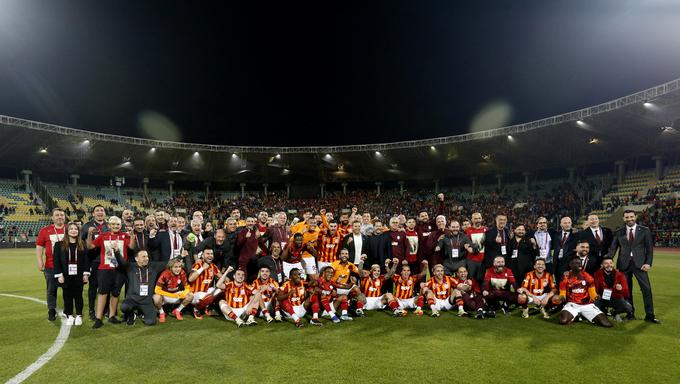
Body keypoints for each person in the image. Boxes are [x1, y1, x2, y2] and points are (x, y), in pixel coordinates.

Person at [608, 210, 659, 323]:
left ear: (635, 217)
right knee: (626, 291)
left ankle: (650, 315)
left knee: (646, 289)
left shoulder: (644, 230)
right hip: (624, 265)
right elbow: (613, 248)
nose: (629, 219)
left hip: (640, 265)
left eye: (631, 217)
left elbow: (649, 249)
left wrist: (648, 263)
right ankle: (630, 314)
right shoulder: (619, 232)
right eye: (627, 217)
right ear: (623, 218)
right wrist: (608, 260)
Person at [87, 216, 136, 328]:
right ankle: (98, 318)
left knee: (115, 293)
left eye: (118, 224)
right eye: (113, 224)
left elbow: (132, 247)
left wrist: (132, 234)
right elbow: (90, 246)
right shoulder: (103, 236)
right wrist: (90, 234)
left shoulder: (125, 236)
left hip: (120, 269)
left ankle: (112, 316)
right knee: (103, 292)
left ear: (120, 225)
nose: (115, 226)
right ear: (109, 225)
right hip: (105, 268)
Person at [113, 250, 167, 326]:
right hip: (132, 299)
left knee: (150, 322)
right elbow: (122, 262)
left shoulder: (153, 266)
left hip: (147, 302)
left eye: (147, 256)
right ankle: (132, 314)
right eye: (143, 257)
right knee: (124, 307)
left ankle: (143, 313)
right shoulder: (131, 267)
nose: (146, 258)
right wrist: (116, 251)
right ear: (136, 259)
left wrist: (181, 256)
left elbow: (168, 263)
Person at [556, 256, 612, 327]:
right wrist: (561, 298)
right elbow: (562, 292)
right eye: (576, 263)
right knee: (563, 321)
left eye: (580, 263)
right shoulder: (565, 277)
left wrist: (596, 297)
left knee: (607, 324)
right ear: (570, 265)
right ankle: (576, 315)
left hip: (587, 305)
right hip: (572, 304)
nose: (579, 265)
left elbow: (592, 292)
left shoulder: (587, 276)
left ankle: (582, 316)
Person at [53, 222, 90, 326]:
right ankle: (69, 315)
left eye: (75, 229)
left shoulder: (82, 243)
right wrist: (59, 275)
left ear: (78, 231)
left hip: (79, 275)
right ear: (67, 231)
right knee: (67, 296)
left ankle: (78, 315)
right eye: (71, 229)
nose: (73, 230)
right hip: (65, 275)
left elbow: (87, 260)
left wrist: (86, 274)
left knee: (78, 295)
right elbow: (56, 261)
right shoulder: (59, 244)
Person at [36, 208, 66, 321]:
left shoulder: (70, 229)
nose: (60, 217)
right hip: (50, 266)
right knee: (51, 290)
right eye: (57, 215)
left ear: (64, 217)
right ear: (52, 218)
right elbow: (39, 247)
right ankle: (51, 310)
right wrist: (40, 261)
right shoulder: (45, 230)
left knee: (67, 289)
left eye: (62, 215)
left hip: (66, 266)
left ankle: (67, 309)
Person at [81, 204, 109, 320]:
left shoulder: (109, 226)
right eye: (97, 210)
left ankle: (106, 309)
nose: (99, 212)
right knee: (93, 286)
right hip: (93, 261)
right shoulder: (87, 226)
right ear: (93, 214)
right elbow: (82, 243)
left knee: (106, 286)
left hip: (107, 261)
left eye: (102, 210)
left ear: (104, 213)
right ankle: (92, 310)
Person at [593, 257, 633, 322]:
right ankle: (602, 314)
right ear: (602, 265)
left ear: (613, 264)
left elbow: (627, 293)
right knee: (594, 304)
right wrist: (597, 295)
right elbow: (595, 289)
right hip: (602, 298)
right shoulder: (597, 274)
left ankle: (614, 312)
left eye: (611, 263)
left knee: (629, 308)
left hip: (615, 298)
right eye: (606, 263)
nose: (609, 265)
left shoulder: (620, 275)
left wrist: (620, 289)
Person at [153, 258, 194, 323]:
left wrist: (184, 293)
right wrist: (172, 295)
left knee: (191, 295)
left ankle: (177, 311)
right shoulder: (165, 274)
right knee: (156, 297)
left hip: (177, 295)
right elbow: (157, 290)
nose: (178, 269)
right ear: (170, 267)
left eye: (179, 267)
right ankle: (162, 313)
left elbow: (187, 287)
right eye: (175, 267)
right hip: (165, 296)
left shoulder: (182, 272)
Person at [188, 248, 222, 319]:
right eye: (207, 254)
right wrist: (202, 268)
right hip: (194, 294)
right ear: (202, 256)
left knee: (220, 290)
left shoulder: (213, 266)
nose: (210, 255)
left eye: (211, 254)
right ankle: (196, 309)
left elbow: (222, 277)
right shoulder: (198, 264)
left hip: (205, 292)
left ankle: (205, 307)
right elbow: (190, 279)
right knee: (207, 296)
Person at [331, 249, 366, 317]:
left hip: (345, 286)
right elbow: (329, 274)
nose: (344, 255)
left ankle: (358, 309)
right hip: (336, 286)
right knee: (333, 291)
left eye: (346, 254)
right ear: (339, 256)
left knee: (356, 289)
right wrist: (336, 281)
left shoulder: (350, 265)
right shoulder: (335, 264)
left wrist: (361, 261)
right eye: (343, 254)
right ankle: (338, 306)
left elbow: (360, 274)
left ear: (348, 256)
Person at [554, 216, 578, 283]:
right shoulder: (556, 235)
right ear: (561, 224)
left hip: (569, 264)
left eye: (569, 223)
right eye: (565, 223)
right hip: (557, 264)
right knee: (558, 283)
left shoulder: (576, 234)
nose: (567, 224)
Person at [464, 212, 487, 283]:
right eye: (475, 218)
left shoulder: (486, 230)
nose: (478, 220)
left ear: (482, 219)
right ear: (472, 220)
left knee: (482, 279)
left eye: (479, 218)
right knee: (471, 279)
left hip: (483, 260)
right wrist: (467, 248)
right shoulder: (467, 230)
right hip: (471, 260)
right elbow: (465, 243)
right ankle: (472, 294)